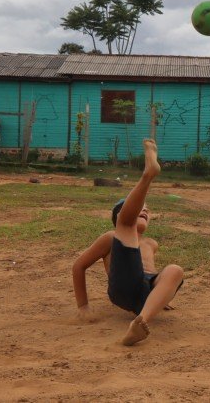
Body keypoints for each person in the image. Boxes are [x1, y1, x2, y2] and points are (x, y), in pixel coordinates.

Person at [72, 139, 185, 346]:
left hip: (145, 294)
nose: (144, 211)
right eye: (139, 207)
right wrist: (83, 306)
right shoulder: (112, 237)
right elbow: (78, 266)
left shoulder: (151, 243)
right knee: (127, 227)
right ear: (119, 216)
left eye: (147, 211)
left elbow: (154, 276)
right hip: (122, 289)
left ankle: (141, 322)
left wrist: (161, 296)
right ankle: (147, 175)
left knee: (175, 270)